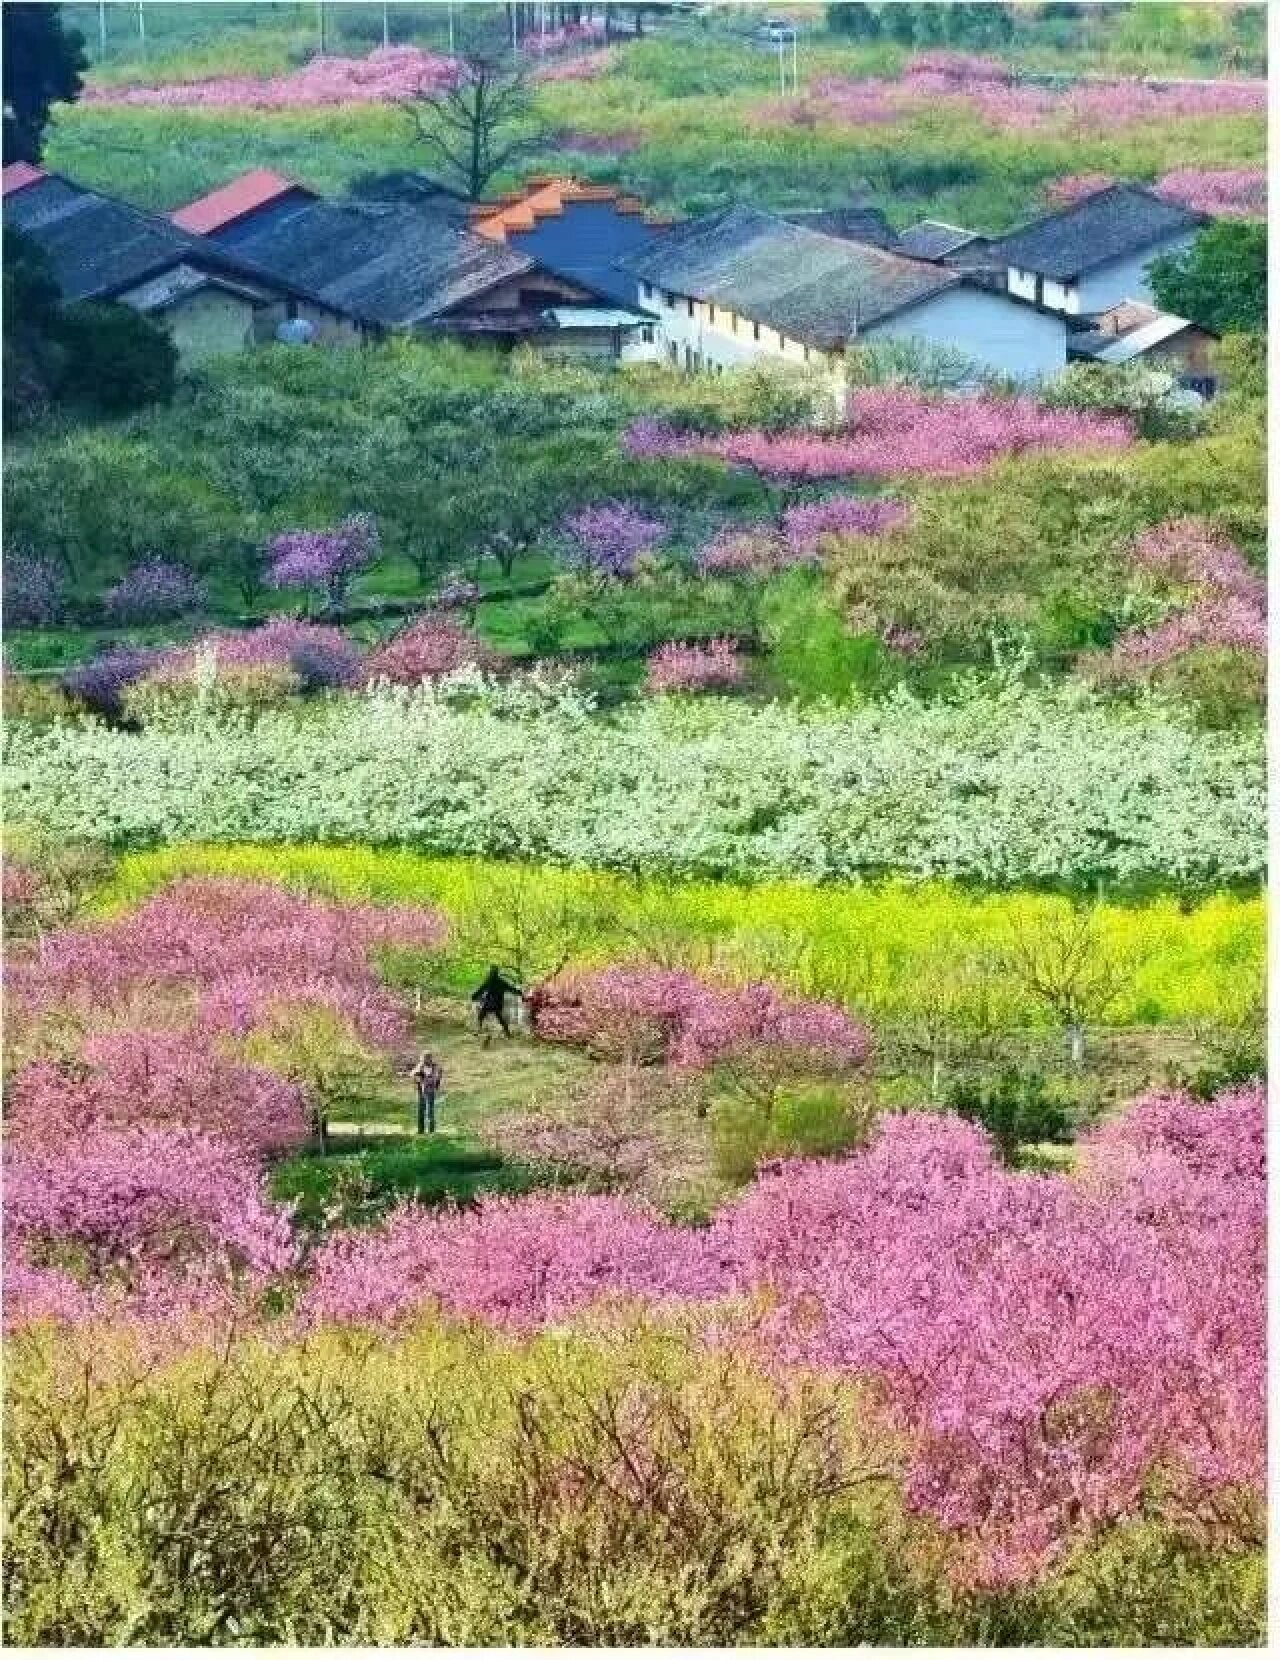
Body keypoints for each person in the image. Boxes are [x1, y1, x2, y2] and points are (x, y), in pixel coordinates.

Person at [471, 965, 522, 1041]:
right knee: (500, 1018)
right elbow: (511, 989)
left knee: (481, 1016)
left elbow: (481, 989)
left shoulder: (489, 980)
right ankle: (508, 1034)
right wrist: (520, 993)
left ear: (491, 972)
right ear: (497, 972)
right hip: (497, 1004)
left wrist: (474, 996)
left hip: (488, 1003)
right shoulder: (501, 982)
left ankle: (479, 1030)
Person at [410, 1050, 443, 1134]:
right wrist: (418, 1079)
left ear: (430, 1058)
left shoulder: (435, 1067)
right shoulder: (420, 1067)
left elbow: (438, 1076)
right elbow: (412, 1075)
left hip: (431, 1091)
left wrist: (435, 1084)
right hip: (421, 1091)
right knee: (421, 1111)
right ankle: (421, 1131)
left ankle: (431, 1131)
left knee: (430, 1111)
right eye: (423, 1059)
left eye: (426, 1058)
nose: (424, 1060)